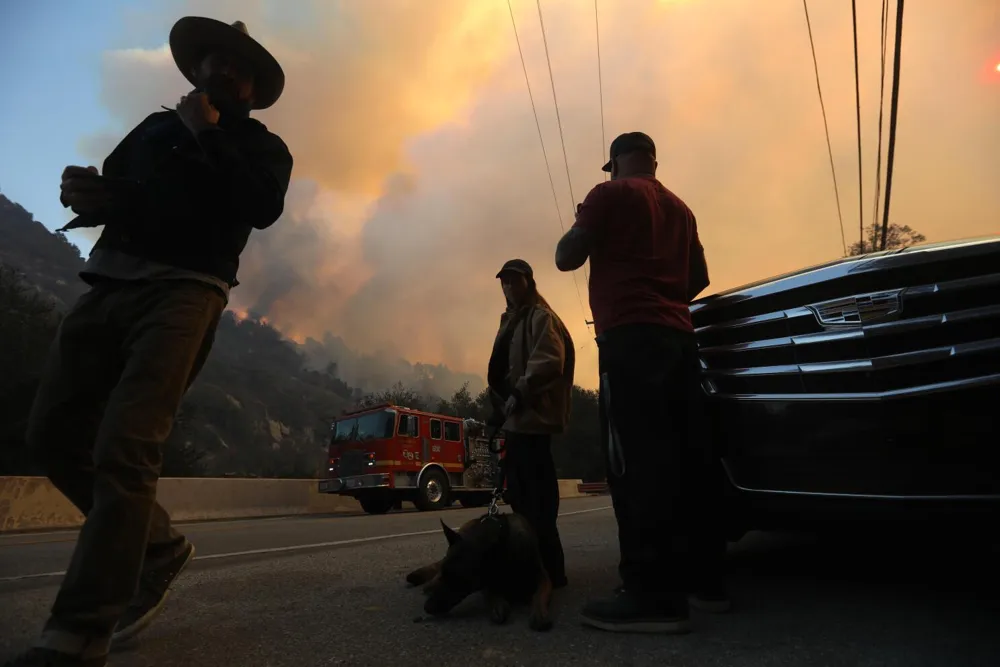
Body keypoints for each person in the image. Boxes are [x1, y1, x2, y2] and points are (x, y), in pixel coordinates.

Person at [6, 17, 293, 667]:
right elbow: (131, 195)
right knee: (52, 433)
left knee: (126, 443)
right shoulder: (151, 130)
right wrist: (95, 197)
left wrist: (206, 134)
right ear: (195, 69)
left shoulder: (259, 147)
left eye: (238, 65)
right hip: (108, 284)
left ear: (252, 87)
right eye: (214, 58)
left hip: (187, 292)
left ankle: (80, 628)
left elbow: (257, 205)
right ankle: (157, 546)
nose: (224, 69)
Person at [554, 132, 725, 634]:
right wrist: (662, 291)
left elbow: (567, 256)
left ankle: (652, 598)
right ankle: (705, 585)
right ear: (654, 160)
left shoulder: (609, 195)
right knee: (689, 461)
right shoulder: (682, 209)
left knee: (636, 463)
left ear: (614, 164)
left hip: (630, 340)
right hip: (680, 340)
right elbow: (698, 277)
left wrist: (583, 221)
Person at [486, 259, 575, 590]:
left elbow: (550, 360)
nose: (508, 286)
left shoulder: (540, 317)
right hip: (516, 422)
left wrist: (520, 392)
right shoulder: (510, 321)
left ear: (528, 282)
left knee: (538, 501)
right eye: (504, 281)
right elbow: (504, 370)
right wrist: (499, 409)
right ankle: (533, 568)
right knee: (520, 498)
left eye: (514, 280)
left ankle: (552, 571)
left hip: (533, 421)